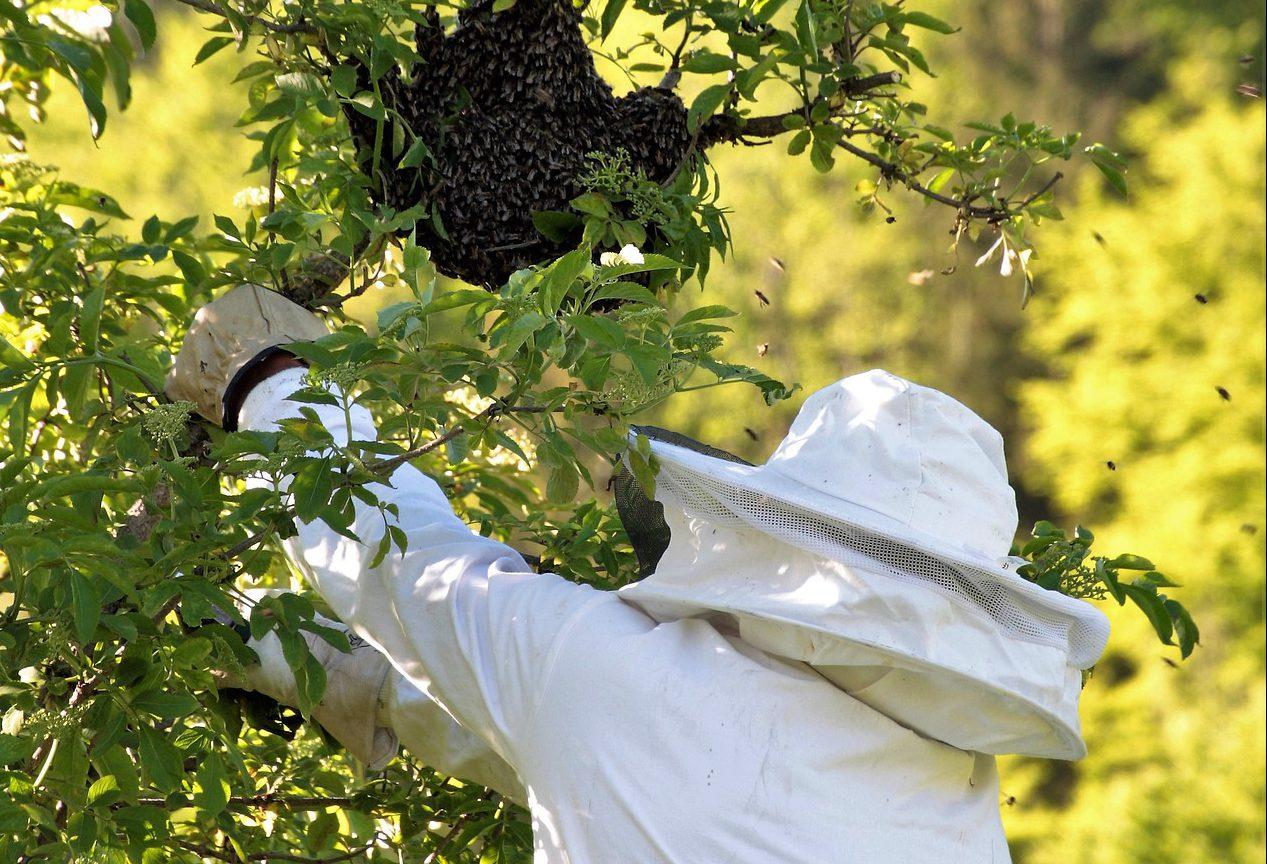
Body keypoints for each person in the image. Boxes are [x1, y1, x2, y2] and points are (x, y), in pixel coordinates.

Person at [170, 285, 1110, 863]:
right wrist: (348, 676)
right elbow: (611, 774)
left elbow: (401, 561)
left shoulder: (620, 682)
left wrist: (268, 375)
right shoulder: (949, 799)